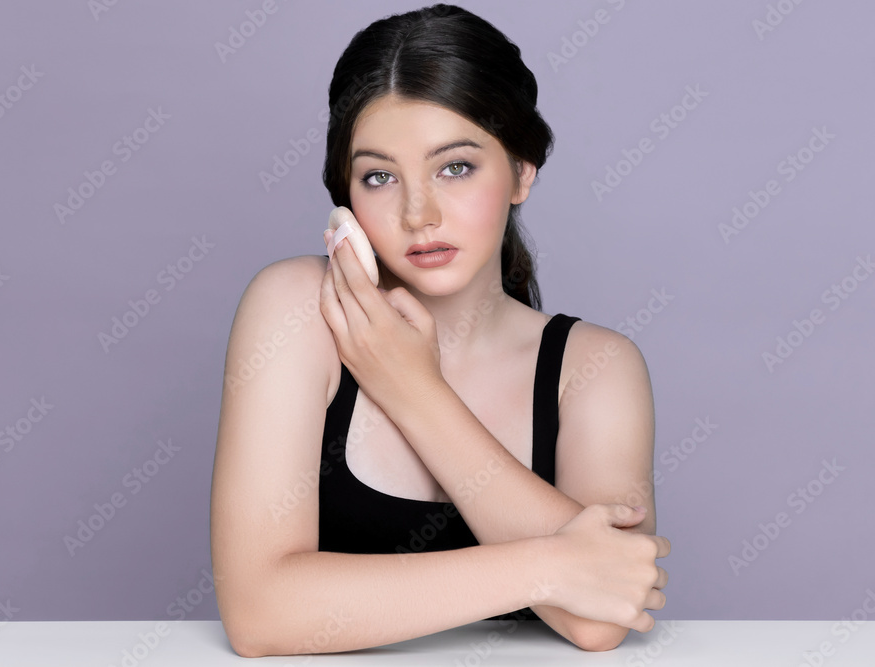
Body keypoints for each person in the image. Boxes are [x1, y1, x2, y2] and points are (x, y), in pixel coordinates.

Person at [211, 3, 670, 657]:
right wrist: (553, 566)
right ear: (344, 199)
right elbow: (259, 613)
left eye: (455, 166)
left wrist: (412, 390)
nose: (418, 213)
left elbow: (603, 616)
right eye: (379, 176)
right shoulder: (293, 310)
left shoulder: (595, 367)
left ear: (521, 170)